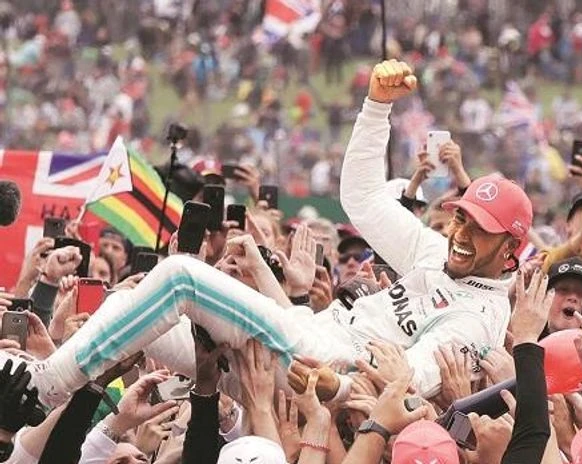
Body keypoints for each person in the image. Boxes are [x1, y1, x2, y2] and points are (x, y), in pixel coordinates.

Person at [13, 59, 533, 408]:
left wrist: (340, 386)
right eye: (462, 216)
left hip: (324, 363)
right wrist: (376, 109)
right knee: (124, 303)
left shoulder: (481, 316)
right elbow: (365, 200)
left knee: (180, 278)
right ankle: (30, 391)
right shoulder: (438, 250)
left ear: (511, 248)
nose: (462, 232)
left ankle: (42, 389)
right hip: (305, 331)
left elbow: (414, 380)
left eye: (481, 228)